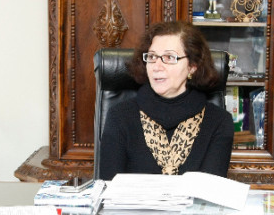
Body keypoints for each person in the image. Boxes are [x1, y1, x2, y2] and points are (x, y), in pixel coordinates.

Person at [99, 20, 234, 180]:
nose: (157, 66)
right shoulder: (120, 117)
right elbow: (110, 190)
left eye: (169, 57)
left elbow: (208, 197)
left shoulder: (219, 122)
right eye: (152, 57)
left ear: (192, 66)